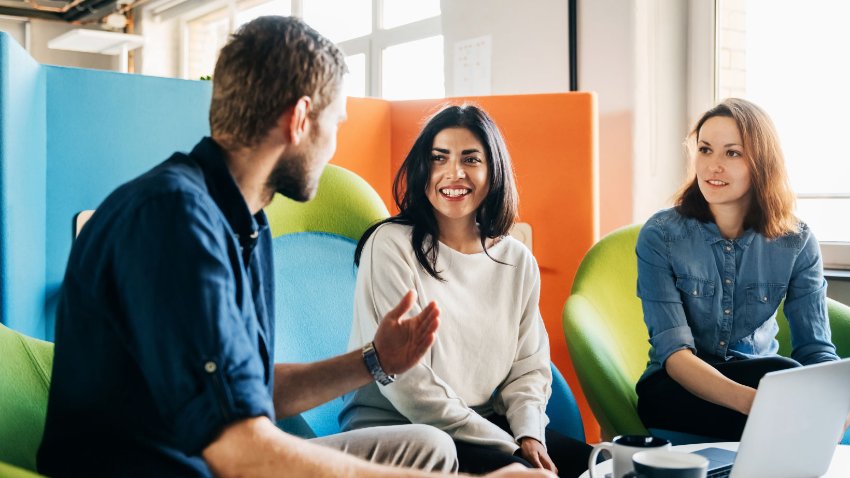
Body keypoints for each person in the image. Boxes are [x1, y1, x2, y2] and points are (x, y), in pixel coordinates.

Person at [36, 16, 552, 478]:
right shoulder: (174, 222)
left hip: (221, 452)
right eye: (335, 125)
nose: (333, 146)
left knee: (429, 452)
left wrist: (373, 361)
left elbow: (253, 391)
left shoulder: (243, 223)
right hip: (168, 466)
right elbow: (239, 454)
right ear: (301, 120)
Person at [340, 104, 592, 477]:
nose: (453, 173)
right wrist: (507, 446)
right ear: (422, 169)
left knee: (601, 464)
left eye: (470, 159)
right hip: (404, 431)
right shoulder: (390, 245)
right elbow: (409, 385)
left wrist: (530, 436)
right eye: (438, 158)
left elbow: (529, 368)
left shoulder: (515, 259)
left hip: (483, 426)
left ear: (493, 172)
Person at [634, 98, 839, 440]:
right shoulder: (661, 236)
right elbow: (674, 354)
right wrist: (756, 404)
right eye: (705, 150)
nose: (713, 166)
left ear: (761, 163)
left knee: (784, 376)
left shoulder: (797, 241)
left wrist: (833, 401)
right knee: (782, 379)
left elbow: (815, 349)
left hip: (761, 378)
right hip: (677, 386)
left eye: (732, 153)